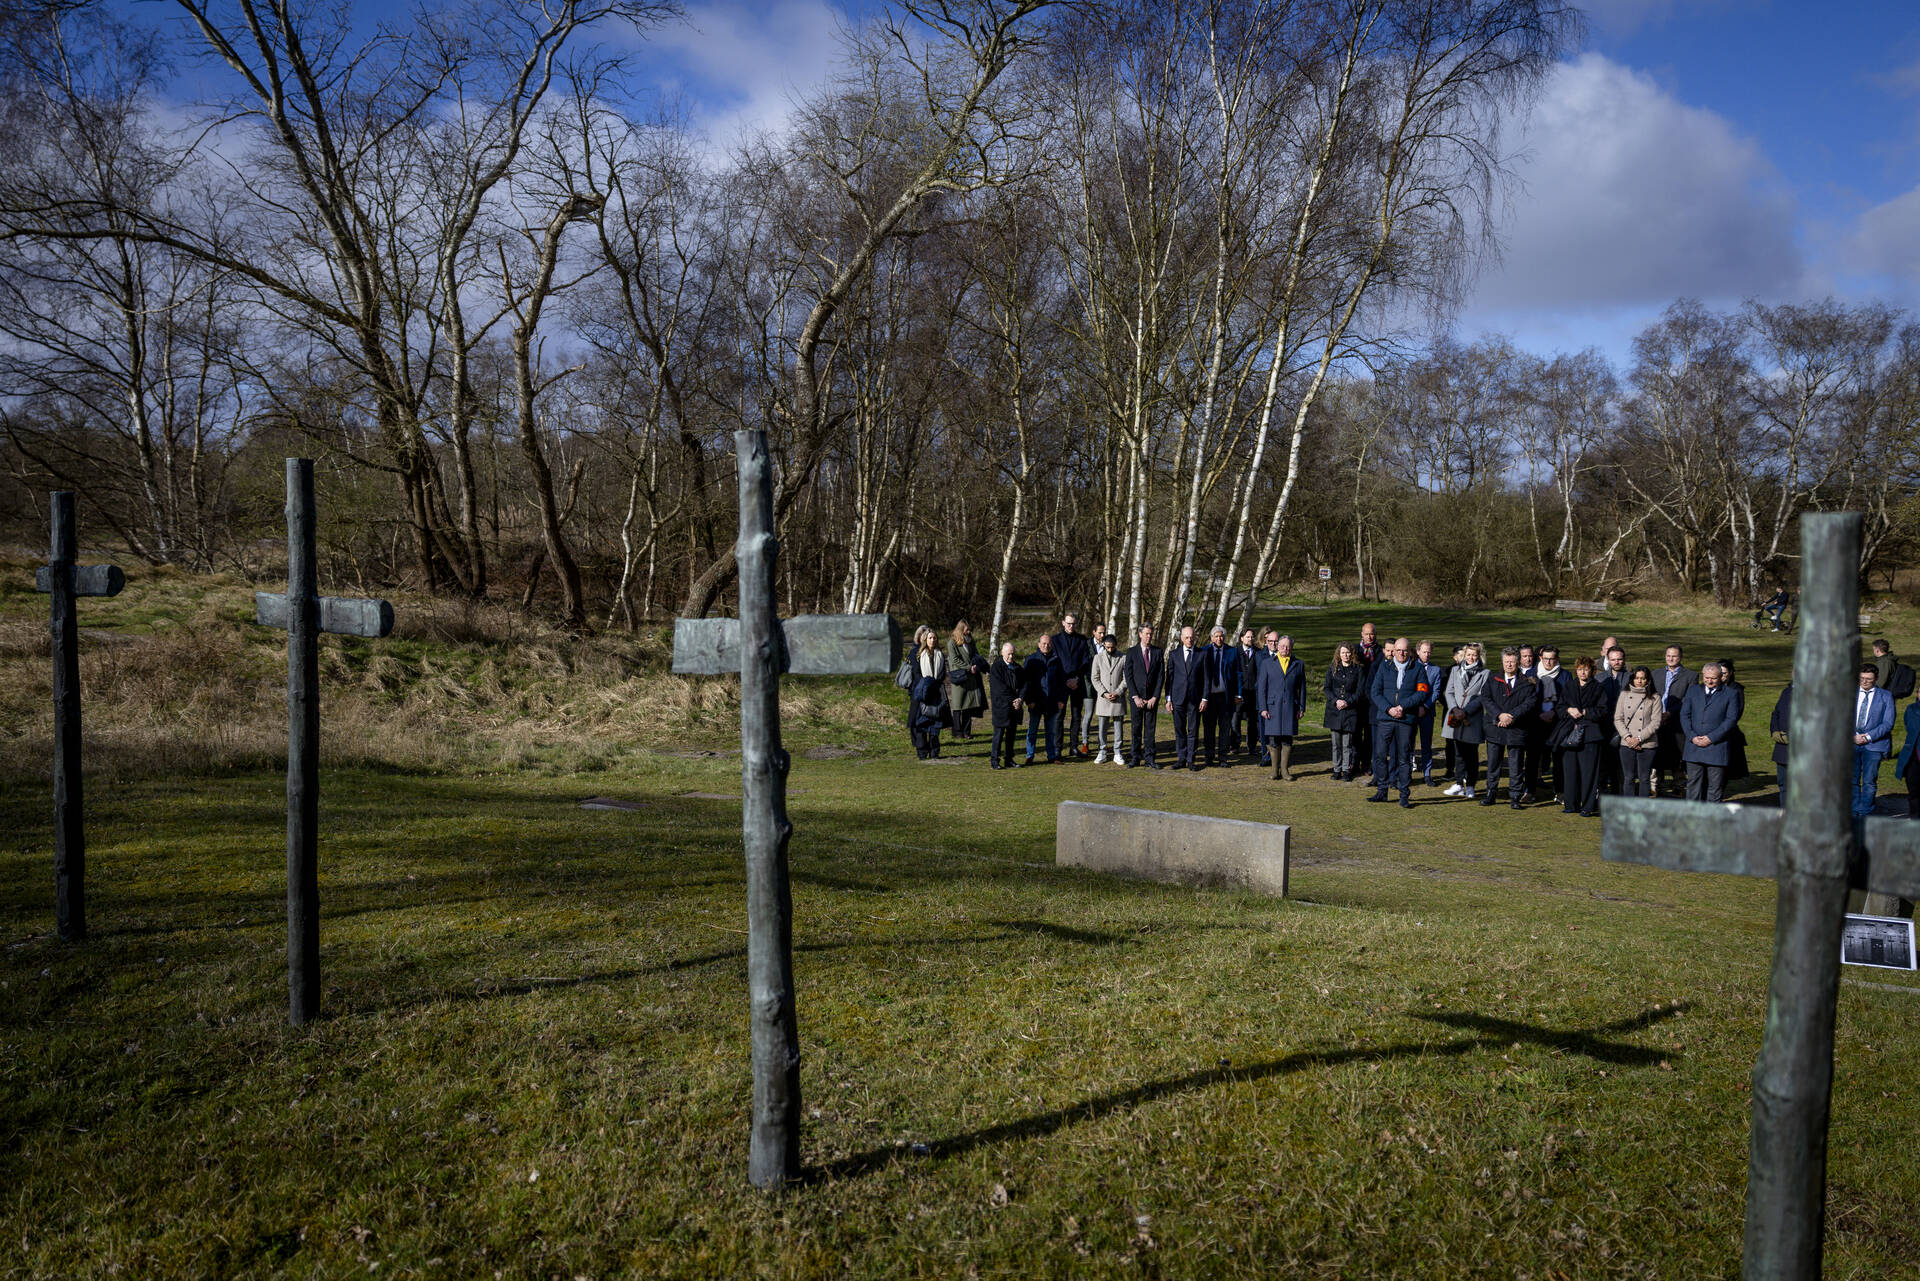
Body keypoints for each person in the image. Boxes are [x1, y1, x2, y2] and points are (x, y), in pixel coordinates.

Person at [1366, 637, 1430, 808]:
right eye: (1398, 650)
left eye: (1405, 650)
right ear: (1393, 651)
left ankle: (1404, 794)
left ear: (1410, 651)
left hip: (1406, 719)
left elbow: (1422, 692)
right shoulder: (1384, 667)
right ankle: (1382, 790)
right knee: (1379, 755)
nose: (1401, 653)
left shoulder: (1417, 668)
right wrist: (1389, 709)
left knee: (1404, 758)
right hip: (1386, 718)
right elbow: (1375, 691)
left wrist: (1403, 706)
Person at [1480, 647, 1537, 809]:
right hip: (1495, 728)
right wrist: (1499, 715)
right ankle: (1490, 793)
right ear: (1502, 662)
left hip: (1516, 729)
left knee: (1516, 765)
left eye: (1512, 662)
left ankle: (1515, 797)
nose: (1509, 665)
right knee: (1493, 764)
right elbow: (1486, 698)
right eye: (1506, 662)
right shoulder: (1493, 679)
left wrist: (1510, 716)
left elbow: (1529, 704)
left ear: (1518, 662)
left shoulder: (1527, 682)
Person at [1554, 656, 1607, 817]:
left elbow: (1603, 710)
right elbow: (1560, 707)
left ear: (1591, 670)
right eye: (1579, 669)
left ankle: (1588, 806)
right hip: (1570, 732)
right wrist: (1569, 710)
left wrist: (1585, 712)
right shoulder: (1569, 685)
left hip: (1590, 734)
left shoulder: (1598, 687)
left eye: (1586, 669)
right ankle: (1571, 804)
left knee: (1589, 772)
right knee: (1570, 771)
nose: (1582, 672)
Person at [1680, 662, 1738, 802]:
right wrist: (1692, 736)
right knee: (1693, 784)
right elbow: (1684, 715)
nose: (1709, 681)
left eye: (1713, 678)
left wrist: (1711, 738)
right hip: (1693, 746)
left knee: (1715, 786)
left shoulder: (1731, 694)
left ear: (1721, 677)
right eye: (1706, 677)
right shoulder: (1693, 690)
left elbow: (1730, 720)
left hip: (1717, 746)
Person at [1256, 630, 1306, 780]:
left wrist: (1302, 707)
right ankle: (1274, 771)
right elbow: (1261, 688)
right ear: (1278, 646)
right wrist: (1263, 707)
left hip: (1291, 707)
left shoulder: (1298, 664)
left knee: (1287, 739)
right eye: (1283, 646)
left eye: (1288, 647)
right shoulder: (1267, 664)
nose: (1285, 649)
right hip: (1272, 707)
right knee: (1273, 740)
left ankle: (1285, 770)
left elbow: (1302, 688)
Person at [1442, 643, 1487, 799]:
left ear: (1479, 656)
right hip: (1456, 718)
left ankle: (1471, 786)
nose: (1471, 658)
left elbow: (1482, 696)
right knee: (1458, 753)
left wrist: (1465, 712)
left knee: (1471, 755)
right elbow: (1449, 692)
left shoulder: (1485, 673)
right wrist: (1455, 709)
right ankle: (1459, 783)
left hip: (1472, 720)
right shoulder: (1455, 670)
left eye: (1474, 655)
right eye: (1468, 655)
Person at [1852, 662, 1895, 817]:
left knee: (1869, 782)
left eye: (1868, 679)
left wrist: (1868, 737)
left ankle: (1864, 812)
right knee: (1853, 780)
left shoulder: (1886, 696)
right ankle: (1854, 811)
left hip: (1874, 745)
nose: (1864, 682)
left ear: (1876, 679)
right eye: (1862, 678)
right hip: (1852, 743)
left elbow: (1888, 723)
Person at [1528, 645, 1570, 802]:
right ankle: (1530, 791)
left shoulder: (1565, 675)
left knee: (1558, 759)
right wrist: (1539, 714)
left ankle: (1560, 792)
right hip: (1536, 722)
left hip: (1557, 722)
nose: (1548, 662)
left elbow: (1567, 699)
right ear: (1540, 658)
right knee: (1532, 758)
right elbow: (1528, 698)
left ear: (1557, 659)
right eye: (1545, 658)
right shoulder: (1532, 674)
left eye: (1552, 658)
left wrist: (1554, 712)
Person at [1655, 645, 1698, 797]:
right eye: (1668, 656)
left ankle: (1679, 785)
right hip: (1657, 720)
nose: (1671, 659)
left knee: (1677, 754)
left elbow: (1688, 698)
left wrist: (1670, 713)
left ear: (1680, 657)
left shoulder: (1691, 676)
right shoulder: (1656, 673)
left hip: (1678, 721)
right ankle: (1656, 786)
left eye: (1674, 656)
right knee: (1657, 754)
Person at [1613, 666, 1662, 799]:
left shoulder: (1655, 697)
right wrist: (1628, 738)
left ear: (1648, 680)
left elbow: (1656, 722)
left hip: (1647, 743)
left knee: (1644, 777)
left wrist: (1639, 738)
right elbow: (1618, 718)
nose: (1639, 681)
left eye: (1643, 678)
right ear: (1632, 679)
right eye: (1637, 678)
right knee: (1628, 777)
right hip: (1626, 742)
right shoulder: (1624, 694)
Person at [1051, 613, 1093, 757]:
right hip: (1061, 683)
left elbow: (1085, 661)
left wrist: (1076, 679)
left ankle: (1074, 747)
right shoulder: (1055, 640)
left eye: (1073, 624)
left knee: (1076, 716)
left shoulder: (1082, 640)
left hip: (1077, 683)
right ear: (1063, 623)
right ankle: (1057, 748)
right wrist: (1065, 680)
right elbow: (1054, 661)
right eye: (1068, 623)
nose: (1071, 626)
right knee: (1059, 716)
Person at [1022, 632, 1067, 764]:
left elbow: (1061, 682)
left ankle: (1051, 756)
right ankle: (1030, 755)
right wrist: (1028, 701)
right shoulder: (1031, 660)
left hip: (1052, 700)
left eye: (1048, 644)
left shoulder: (1057, 660)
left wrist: (1061, 700)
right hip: (1035, 701)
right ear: (1038, 644)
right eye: (1044, 644)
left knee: (1051, 731)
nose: (1046, 646)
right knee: (1033, 730)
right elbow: (1026, 682)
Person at [1200, 625, 1240, 767]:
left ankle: (1223, 757)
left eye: (1221, 636)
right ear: (1211, 638)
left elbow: (1238, 674)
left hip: (1225, 697)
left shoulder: (1232, 651)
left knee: (1224, 729)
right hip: (1209, 697)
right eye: (1216, 636)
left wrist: (1238, 693)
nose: (1219, 638)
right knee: (1209, 728)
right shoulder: (1204, 651)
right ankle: (1209, 757)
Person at [1324, 642, 1365, 781]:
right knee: (1336, 743)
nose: (1345, 655)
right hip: (1334, 710)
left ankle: (1346, 770)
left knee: (1347, 743)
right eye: (1343, 652)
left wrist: (1348, 701)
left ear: (1352, 654)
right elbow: (1327, 688)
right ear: (1338, 654)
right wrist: (1336, 701)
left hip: (1350, 710)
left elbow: (1360, 691)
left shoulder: (1358, 669)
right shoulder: (1333, 668)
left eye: (1348, 652)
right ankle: (1336, 769)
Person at [1165, 624, 1204, 770]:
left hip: (1195, 699)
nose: (1189, 640)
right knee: (1179, 729)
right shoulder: (1174, 654)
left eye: (1192, 637)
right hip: (1177, 698)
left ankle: (1191, 760)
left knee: (1193, 730)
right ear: (1181, 638)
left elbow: (1206, 678)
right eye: (1187, 637)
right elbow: (1169, 678)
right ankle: (1181, 758)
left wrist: (1204, 698)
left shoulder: (1201, 654)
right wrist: (1168, 699)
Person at [906, 625, 948, 760]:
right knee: (921, 725)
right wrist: (927, 683)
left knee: (935, 726)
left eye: (935, 638)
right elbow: (916, 674)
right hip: (921, 694)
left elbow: (942, 674)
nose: (933, 640)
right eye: (930, 638)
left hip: (936, 694)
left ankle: (935, 752)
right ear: (926, 640)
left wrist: (934, 684)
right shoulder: (919, 654)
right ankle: (922, 752)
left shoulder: (940, 655)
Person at [1125, 623, 1163, 769]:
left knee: (1150, 730)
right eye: (1146, 633)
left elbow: (1161, 676)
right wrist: (1135, 697)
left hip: (1151, 699)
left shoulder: (1158, 652)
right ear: (1140, 634)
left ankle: (1150, 758)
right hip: (1137, 699)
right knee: (1136, 728)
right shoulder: (1132, 652)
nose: (1149, 636)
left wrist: (1155, 697)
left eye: (1151, 634)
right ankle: (1135, 757)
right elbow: (1128, 676)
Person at [1090, 631, 1129, 765]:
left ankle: (1117, 752)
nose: (1110, 649)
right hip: (1103, 698)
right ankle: (1102, 751)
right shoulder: (1097, 658)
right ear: (1103, 645)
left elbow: (1126, 678)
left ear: (1116, 645)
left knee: (1118, 726)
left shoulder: (1123, 657)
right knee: (1102, 727)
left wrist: (1118, 692)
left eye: (1112, 647)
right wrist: (1104, 693)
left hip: (1118, 698)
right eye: (1107, 647)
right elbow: (1094, 679)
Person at [944, 621, 987, 739]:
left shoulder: (971, 641)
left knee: (969, 705)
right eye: (966, 630)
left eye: (969, 630)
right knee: (958, 706)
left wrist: (979, 665)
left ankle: (967, 732)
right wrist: (969, 667)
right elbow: (954, 660)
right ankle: (957, 732)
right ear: (960, 630)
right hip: (959, 677)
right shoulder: (952, 643)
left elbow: (976, 655)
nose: (969, 632)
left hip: (971, 677)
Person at [1413, 640, 1446, 786]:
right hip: (1412, 710)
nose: (1427, 655)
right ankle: (1407, 772)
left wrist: (1425, 707)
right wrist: (1416, 706)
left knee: (1426, 745)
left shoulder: (1435, 670)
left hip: (1427, 711)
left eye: (1429, 652)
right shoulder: (1411, 666)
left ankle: (1427, 774)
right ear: (1418, 651)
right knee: (1408, 743)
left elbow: (1436, 691)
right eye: (1424, 651)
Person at [987, 640, 1024, 770]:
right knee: (999, 734)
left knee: (1011, 735)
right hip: (1001, 707)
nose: (1011, 656)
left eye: (1013, 654)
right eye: (1008, 654)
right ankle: (994, 760)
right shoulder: (996, 668)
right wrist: (1014, 700)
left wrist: (1020, 699)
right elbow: (999, 688)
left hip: (1015, 708)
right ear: (1002, 653)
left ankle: (1009, 759)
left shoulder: (1018, 668)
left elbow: (1024, 685)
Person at [1597, 646, 1628, 795]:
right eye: (1613, 659)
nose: (1616, 662)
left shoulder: (1631, 678)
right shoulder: (1600, 679)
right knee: (1602, 768)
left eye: (1619, 659)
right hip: (1603, 728)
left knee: (1620, 769)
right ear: (1607, 660)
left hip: (1624, 729)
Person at [1716, 657, 1750, 789]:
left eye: (1724, 673)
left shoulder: (1736, 690)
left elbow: (1736, 713)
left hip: (1727, 732)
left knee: (1724, 768)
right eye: (1719, 673)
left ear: (1730, 673)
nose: (1721, 676)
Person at [1234, 626, 1265, 763]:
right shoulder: (1235, 652)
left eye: (1252, 637)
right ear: (1242, 638)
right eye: (1247, 636)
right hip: (1239, 692)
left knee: (1253, 721)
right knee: (1236, 718)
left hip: (1254, 692)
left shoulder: (1258, 653)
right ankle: (1235, 745)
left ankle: (1251, 746)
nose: (1250, 639)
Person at [1355, 622, 1382, 779]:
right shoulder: (1355, 650)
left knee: (1370, 735)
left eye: (1372, 633)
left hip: (1373, 699)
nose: (1369, 636)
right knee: (1357, 734)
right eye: (1366, 634)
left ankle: (1367, 763)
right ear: (1361, 634)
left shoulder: (1380, 651)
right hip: (1358, 699)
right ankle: (1355, 762)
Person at [1081, 622, 1110, 747]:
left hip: (1104, 686)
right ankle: (1085, 742)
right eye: (1100, 632)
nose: (1102, 635)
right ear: (1094, 632)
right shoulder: (1086, 645)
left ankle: (1101, 743)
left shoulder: (1108, 645)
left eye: (1104, 632)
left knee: (1103, 716)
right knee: (1088, 714)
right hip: (1089, 684)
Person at [1893, 688, 1920, 818]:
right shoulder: (1911, 709)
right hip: (1913, 756)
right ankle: (1915, 819)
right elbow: (1908, 726)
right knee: (1913, 790)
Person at [1770, 683, 1792, 808]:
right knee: (1783, 784)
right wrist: (1775, 730)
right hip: (1783, 748)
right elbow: (1776, 714)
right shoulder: (1787, 692)